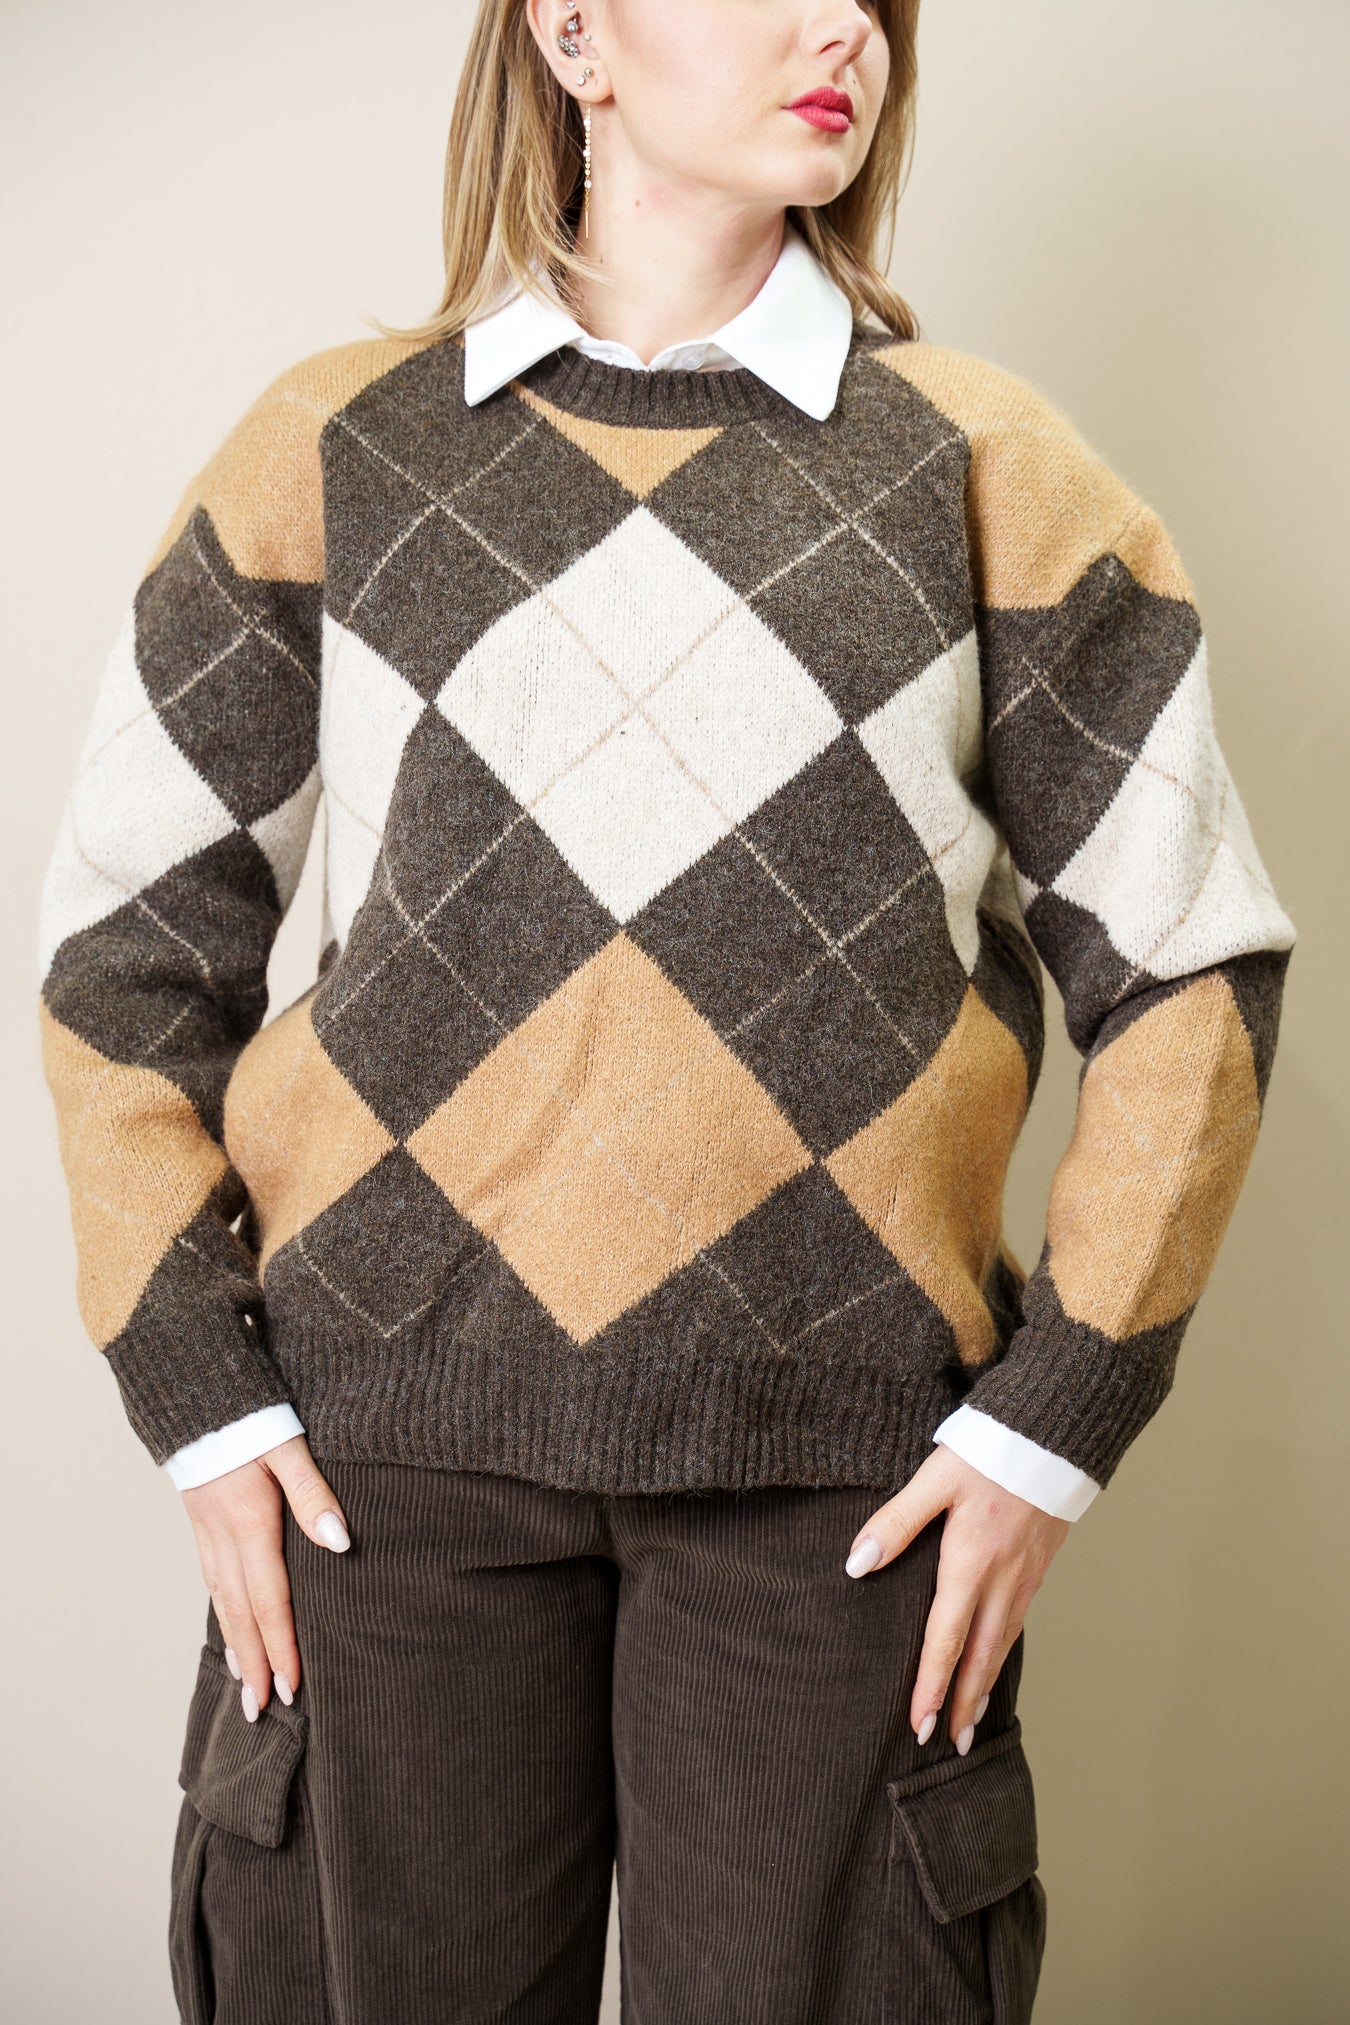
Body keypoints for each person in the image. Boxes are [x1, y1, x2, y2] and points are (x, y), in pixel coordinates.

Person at [36, 2, 1297, 2019]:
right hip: (380, 1473)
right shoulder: (337, 445)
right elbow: (129, 941)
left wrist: (1053, 1425)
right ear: (573, 32)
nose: (841, 29)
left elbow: (1191, 964)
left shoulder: (992, 465)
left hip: (846, 1484)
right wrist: (196, 1379)